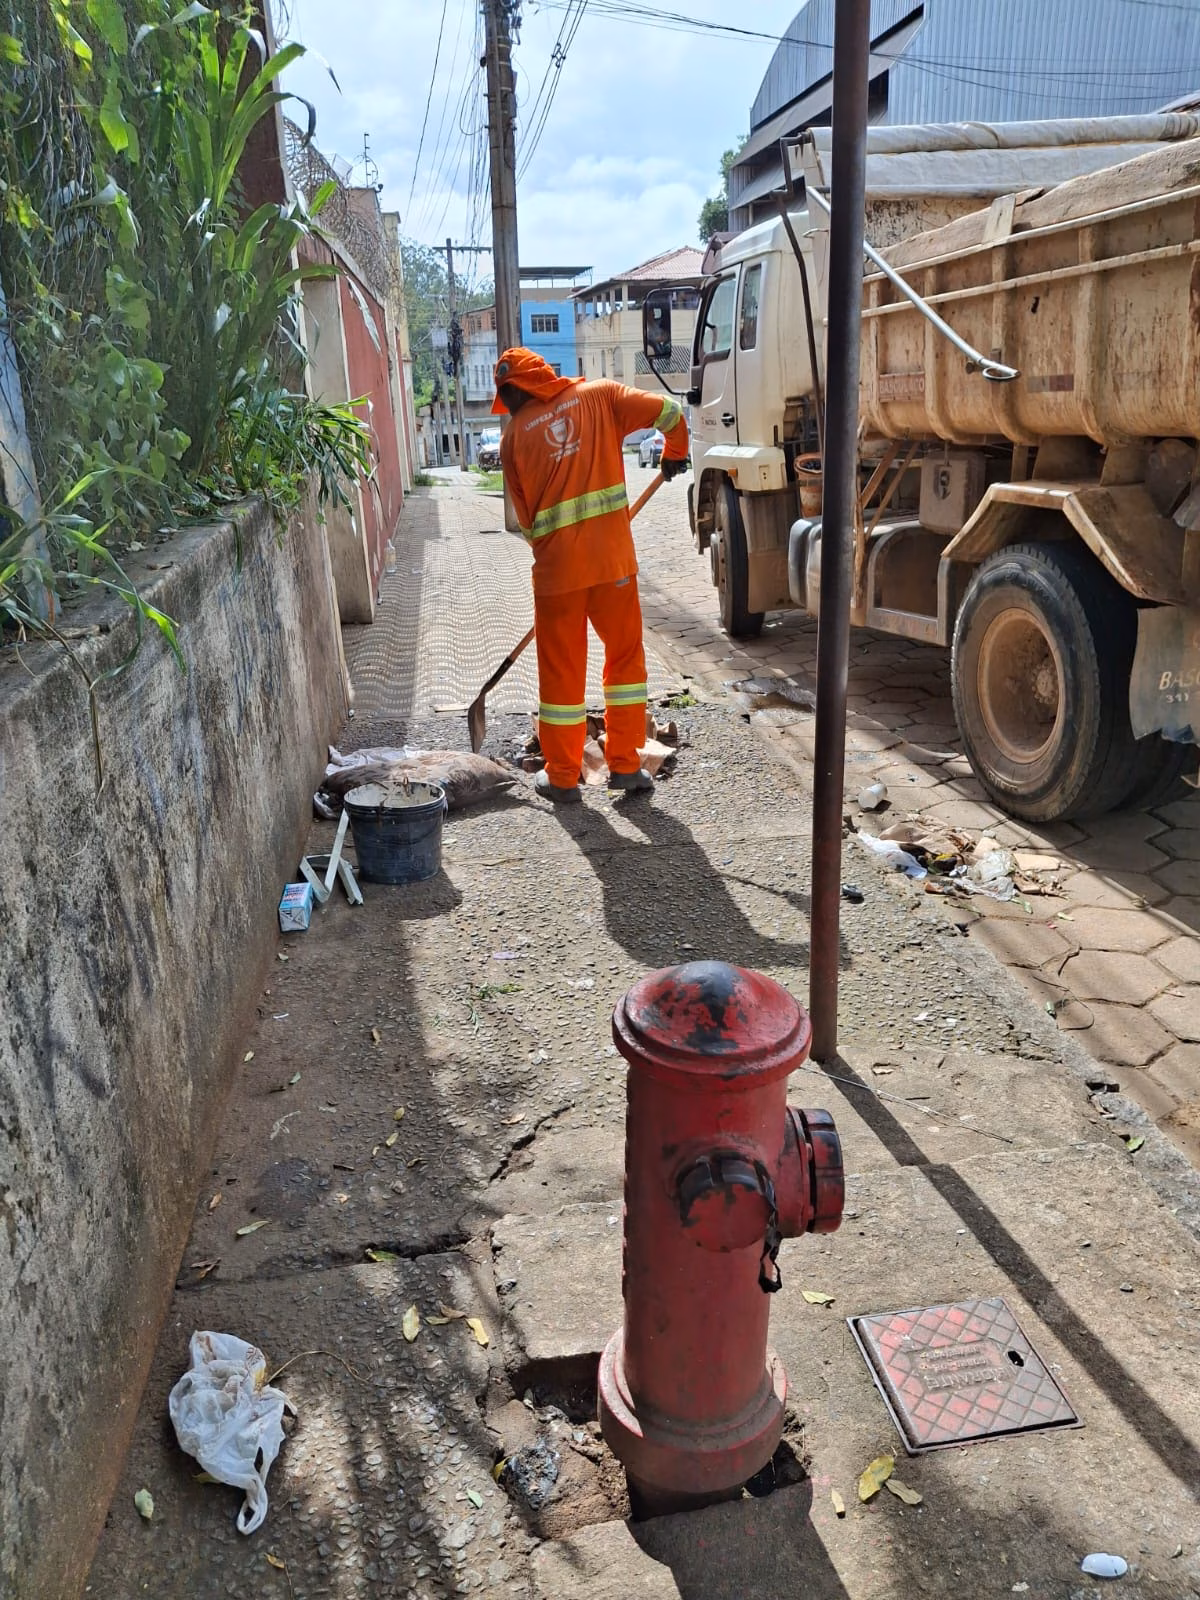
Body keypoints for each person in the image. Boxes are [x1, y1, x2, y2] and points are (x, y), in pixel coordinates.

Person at [493, 346, 688, 804]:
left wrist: (560, 550)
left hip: (556, 576)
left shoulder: (512, 439)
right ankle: (625, 766)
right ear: (542, 378)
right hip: (612, 566)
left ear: (512, 393)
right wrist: (675, 453)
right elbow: (671, 411)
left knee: (560, 673)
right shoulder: (601, 397)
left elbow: (526, 523)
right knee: (624, 662)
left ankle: (562, 777)